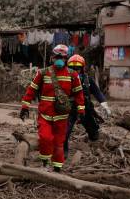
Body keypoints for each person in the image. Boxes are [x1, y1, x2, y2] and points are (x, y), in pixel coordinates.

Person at [20, 44, 85, 172]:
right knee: (45, 138)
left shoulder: (73, 75)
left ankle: (57, 168)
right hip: (45, 114)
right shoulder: (43, 73)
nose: (59, 59)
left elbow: (79, 94)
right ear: (52, 58)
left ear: (66, 58)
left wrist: (81, 110)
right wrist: (24, 107)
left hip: (62, 116)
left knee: (59, 142)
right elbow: (31, 90)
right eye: (57, 57)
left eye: (62, 57)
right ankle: (45, 163)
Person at [64, 54, 112, 157]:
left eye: (77, 68)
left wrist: (105, 106)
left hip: (86, 110)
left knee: (94, 131)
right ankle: (64, 151)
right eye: (72, 68)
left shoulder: (88, 80)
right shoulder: (64, 80)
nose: (75, 70)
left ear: (82, 68)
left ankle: (94, 146)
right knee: (65, 131)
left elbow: (98, 93)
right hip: (71, 110)